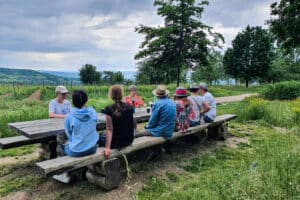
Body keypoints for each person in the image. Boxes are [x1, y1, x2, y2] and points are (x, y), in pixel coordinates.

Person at [53, 90, 99, 183]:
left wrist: (71, 141)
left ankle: (65, 172)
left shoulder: (69, 116)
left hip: (76, 151)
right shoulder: (93, 112)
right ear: (86, 100)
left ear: (73, 102)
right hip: (93, 148)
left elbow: (69, 134)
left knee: (60, 138)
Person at [100, 85, 135, 159]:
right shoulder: (130, 107)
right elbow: (131, 123)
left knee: (101, 135)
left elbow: (109, 129)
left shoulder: (109, 109)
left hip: (116, 143)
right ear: (122, 94)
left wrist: (107, 148)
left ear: (111, 95)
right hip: (129, 140)